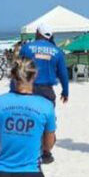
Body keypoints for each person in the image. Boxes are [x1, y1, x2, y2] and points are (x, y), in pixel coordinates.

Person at [19, 24, 68, 163]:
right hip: (47, 91)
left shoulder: (27, 48)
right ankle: (46, 152)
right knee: (48, 120)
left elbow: (19, 70)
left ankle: (27, 150)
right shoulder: (57, 51)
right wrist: (65, 91)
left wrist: (14, 90)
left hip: (29, 89)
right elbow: (63, 73)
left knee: (28, 118)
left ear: (38, 33)